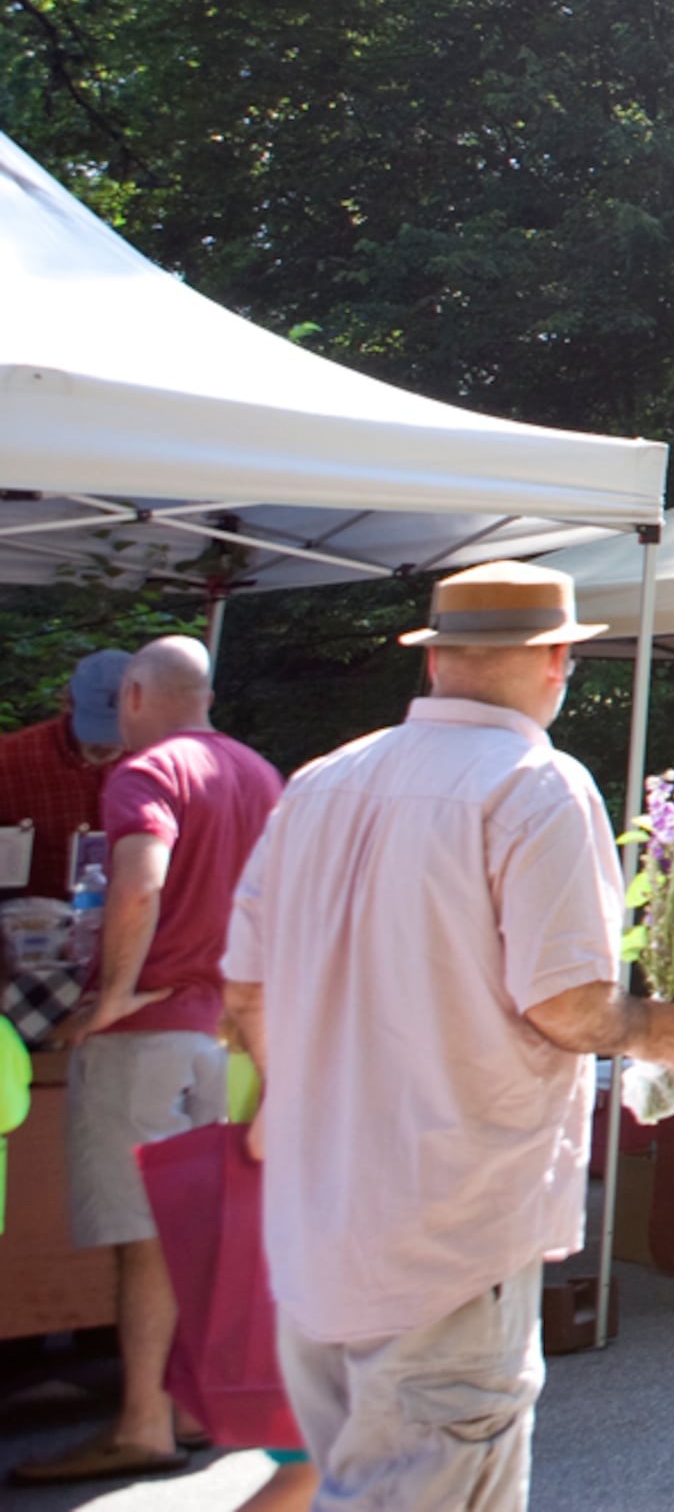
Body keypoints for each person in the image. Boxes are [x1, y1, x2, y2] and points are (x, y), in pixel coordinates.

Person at [221, 561, 674, 1512]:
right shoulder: (536, 785)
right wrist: (652, 1027)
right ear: (559, 659)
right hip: (448, 1230)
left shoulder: (321, 781)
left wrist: (299, 1100)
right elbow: (565, 1005)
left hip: (318, 1223)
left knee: (353, 1483)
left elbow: (244, 987)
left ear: (436, 657)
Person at [13, 637, 281, 1489]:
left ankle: (141, 1422)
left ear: (131, 693)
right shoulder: (257, 771)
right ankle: (196, 1405)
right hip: (218, 1031)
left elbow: (139, 874)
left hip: (150, 1029)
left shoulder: (147, 770)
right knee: (189, 1227)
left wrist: (119, 989)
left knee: (140, 1236)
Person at [0, 647, 128, 903]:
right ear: (66, 702)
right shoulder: (9, 760)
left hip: (129, 922)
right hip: (29, 928)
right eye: (94, 726)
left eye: (118, 728)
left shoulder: (158, 763)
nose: (105, 745)